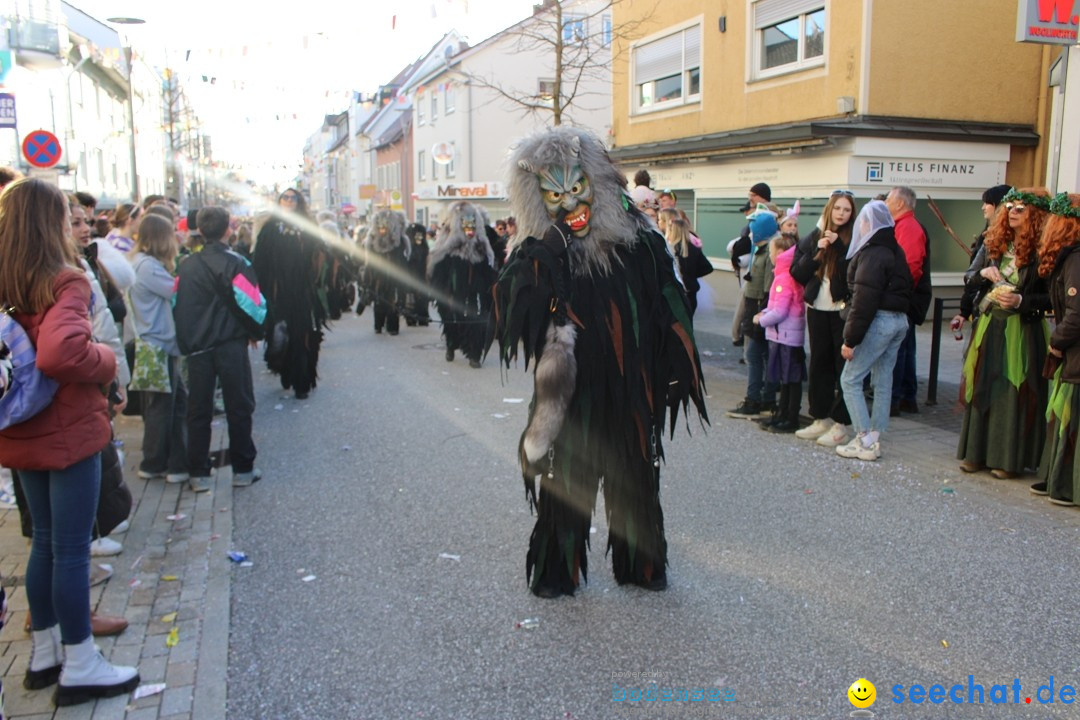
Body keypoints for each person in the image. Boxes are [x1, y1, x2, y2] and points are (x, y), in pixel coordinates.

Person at [492, 127, 707, 597]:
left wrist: (675, 366)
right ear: (536, 200)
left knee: (635, 472)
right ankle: (556, 570)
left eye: (577, 188)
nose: (569, 206)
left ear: (598, 184)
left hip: (633, 385)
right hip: (572, 392)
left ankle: (641, 565)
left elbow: (671, 304)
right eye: (553, 195)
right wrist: (541, 257)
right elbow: (509, 308)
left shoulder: (638, 243)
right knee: (565, 475)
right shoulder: (538, 252)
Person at [0, 178, 139, 705]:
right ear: (48, 222)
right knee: (72, 551)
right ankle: (81, 662)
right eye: (65, 213)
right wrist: (105, 360)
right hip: (66, 431)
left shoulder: (6, 277)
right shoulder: (65, 280)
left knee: (46, 546)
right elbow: (62, 355)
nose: (72, 221)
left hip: (20, 428)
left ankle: (44, 653)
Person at [957, 188, 1052, 478]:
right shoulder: (993, 242)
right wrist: (983, 275)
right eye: (1010, 206)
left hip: (1022, 330)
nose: (1012, 211)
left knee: (1013, 392)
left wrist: (1022, 301)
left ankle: (1006, 458)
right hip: (989, 324)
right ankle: (976, 453)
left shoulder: (1043, 250)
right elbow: (969, 277)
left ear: (1034, 215)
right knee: (983, 385)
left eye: (1020, 208)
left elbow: (1052, 297)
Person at [173, 206, 266, 492]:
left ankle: (198, 472)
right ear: (228, 229)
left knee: (198, 408)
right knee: (238, 405)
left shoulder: (186, 266)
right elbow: (254, 305)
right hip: (229, 344)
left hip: (199, 346)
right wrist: (254, 332)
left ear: (199, 230)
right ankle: (243, 468)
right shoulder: (237, 263)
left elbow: (177, 305)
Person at [836, 200, 913, 461]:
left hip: (879, 321)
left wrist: (850, 339)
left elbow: (864, 300)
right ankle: (874, 437)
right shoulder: (896, 249)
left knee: (850, 379)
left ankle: (863, 439)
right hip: (899, 320)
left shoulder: (872, 253)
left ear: (869, 223)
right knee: (883, 380)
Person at [790, 190, 857, 447]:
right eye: (838, 208)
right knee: (818, 363)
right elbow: (796, 272)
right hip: (817, 307)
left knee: (843, 367)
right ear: (830, 210)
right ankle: (821, 417)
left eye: (847, 209)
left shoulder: (854, 238)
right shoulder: (814, 237)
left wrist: (839, 248)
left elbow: (853, 272)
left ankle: (842, 423)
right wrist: (815, 253)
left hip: (842, 311)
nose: (841, 214)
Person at [129, 214, 189, 486]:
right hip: (157, 343)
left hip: (157, 342)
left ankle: (173, 462)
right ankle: (154, 462)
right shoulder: (148, 266)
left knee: (172, 404)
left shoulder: (141, 263)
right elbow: (176, 291)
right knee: (163, 407)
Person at [253, 189, 329, 399]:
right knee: (280, 332)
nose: (288, 201)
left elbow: (318, 253)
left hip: (301, 290)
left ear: (299, 201)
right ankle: (285, 370)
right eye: (285, 198)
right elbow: (260, 259)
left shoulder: (307, 226)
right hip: (278, 290)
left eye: (292, 198)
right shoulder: (270, 228)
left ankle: (301, 381)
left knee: (301, 334)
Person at [1032, 193, 1080, 505]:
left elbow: (1076, 313)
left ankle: (1067, 486)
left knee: (1072, 418)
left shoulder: (1076, 260)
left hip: (1076, 353)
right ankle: (1057, 480)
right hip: (1072, 351)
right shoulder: (1070, 258)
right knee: (1065, 418)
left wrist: (1056, 340)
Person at [429, 200, 497, 368]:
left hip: (475, 293)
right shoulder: (448, 248)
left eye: (472, 226)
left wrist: (493, 287)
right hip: (454, 292)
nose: (469, 230)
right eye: (465, 226)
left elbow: (488, 270)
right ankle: (451, 345)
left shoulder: (481, 247)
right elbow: (439, 272)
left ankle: (474, 354)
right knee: (452, 320)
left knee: (476, 321)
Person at [727, 208, 780, 419]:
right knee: (759, 356)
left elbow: (768, 286)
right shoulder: (759, 250)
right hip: (753, 306)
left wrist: (761, 313)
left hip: (759, 307)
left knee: (755, 356)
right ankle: (763, 398)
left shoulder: (767, 253)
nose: (749, 233)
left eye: (753, 229)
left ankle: (756, 400)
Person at [753, 233, 804, 433]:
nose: (770, 255)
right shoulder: (784, 275)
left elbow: (780, 311)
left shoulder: (784, 278)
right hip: (784, 335)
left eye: (772, 251)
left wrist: (761, 320)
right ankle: (783, 414)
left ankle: (790, 417)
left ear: (781, 253)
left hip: (786, 336)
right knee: (786, 379)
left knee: (790, 379)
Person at [885, 186, 928, 415]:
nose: (886, 203)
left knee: (899, 349)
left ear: (900, 203)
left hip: (902, 298)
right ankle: (905, 397)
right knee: (905, 348)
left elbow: (911, 265)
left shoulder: (908, 228)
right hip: (904, 296)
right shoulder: (903, 226)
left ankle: (895, 398)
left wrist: (895, 290)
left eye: (889, 199)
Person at [952, 184, 1012, 334]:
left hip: (1010, 314)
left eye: (987, 203)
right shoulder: (988, 237)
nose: (983, 207)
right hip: (985, 309)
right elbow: (972, 275)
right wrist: (964, 312)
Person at [361, 208, 410, 335]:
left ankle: (392, 326)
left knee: (393, 300)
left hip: (394, 275)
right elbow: (369, 259)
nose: (383, 228)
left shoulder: (400, 240)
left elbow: (403, 259)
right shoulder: (371, 240)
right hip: (378, 274)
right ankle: (378, 324)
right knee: (378, 298)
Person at [664, 217, 713, 316]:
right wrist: (693, 275)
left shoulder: (670, 250)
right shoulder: (694, 248)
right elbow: (708, 267)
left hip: (675, 292)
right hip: (691, 291)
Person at [403, 222, 431, 326]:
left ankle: (421, 317)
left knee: (421, 297)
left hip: (421, 275)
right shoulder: (409, 248)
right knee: (411, 297)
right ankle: (412, 317)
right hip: (412, 275)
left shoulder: (424, 248)